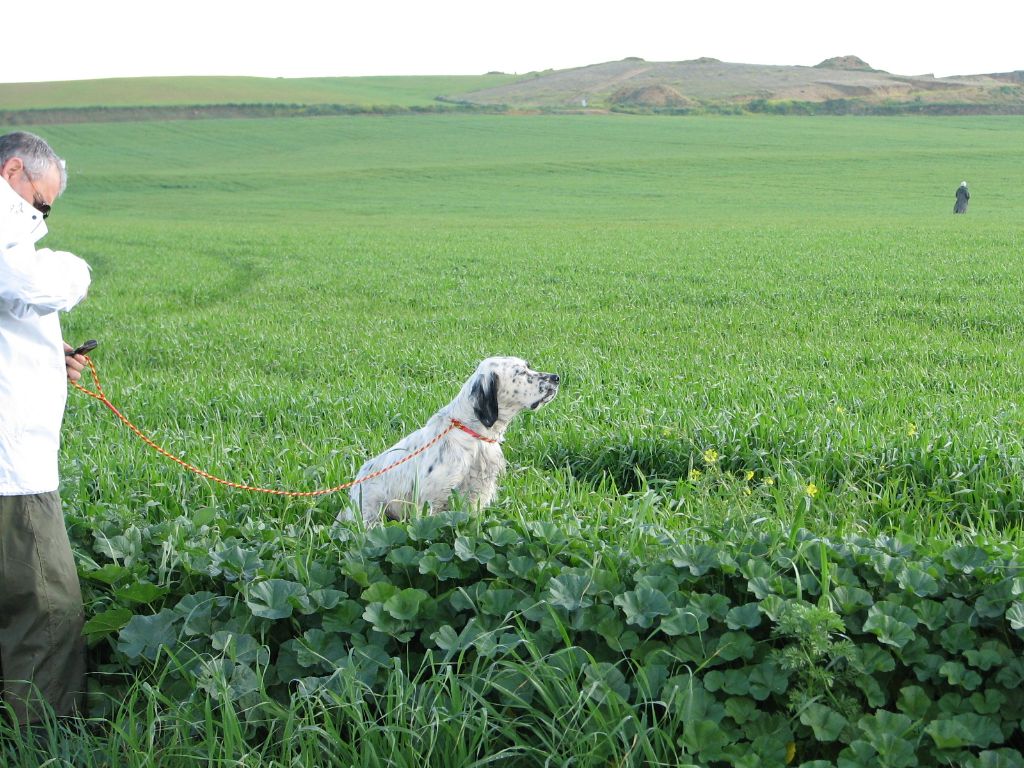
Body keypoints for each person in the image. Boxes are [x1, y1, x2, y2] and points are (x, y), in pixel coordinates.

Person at [0, 131, 92, 724]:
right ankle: (42, 742)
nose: (42, 214)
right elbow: (29, 283)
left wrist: (41, 351)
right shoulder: (6, 228)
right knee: (47, 605)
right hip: (12, 466)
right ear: (12, 171)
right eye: (41, 201)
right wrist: (79, 269)